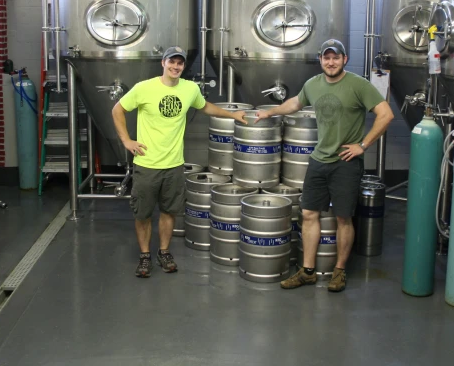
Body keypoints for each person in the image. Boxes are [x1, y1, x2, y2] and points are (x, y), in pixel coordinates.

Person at [255, 39, 393, 292]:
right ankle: (307, 271)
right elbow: (295, 103)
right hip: (319, 160)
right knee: (308, 214)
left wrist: (362, 145)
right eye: (326, 57)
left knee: (343, 218)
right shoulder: (313, 84)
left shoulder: (358, 85)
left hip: (345, 162)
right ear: (320, 59)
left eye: (336, 57)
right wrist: (269, 113)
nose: (331, 62)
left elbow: (386, 114)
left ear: (345, 59)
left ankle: (339, 271)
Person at [112, 46, 247, 278]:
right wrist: (126, 140)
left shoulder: (190, 88)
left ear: (184, 66)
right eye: (171, 62)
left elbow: (205, 107)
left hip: (174, 165)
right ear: (163, 63)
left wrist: (232, 114)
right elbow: (117, 110)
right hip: (147, 164)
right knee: (142, 214)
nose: (175, 67)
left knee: (169, 211)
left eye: (180, 63)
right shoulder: (144, 88)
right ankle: (145, 255)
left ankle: (164, 252)